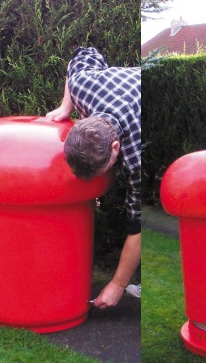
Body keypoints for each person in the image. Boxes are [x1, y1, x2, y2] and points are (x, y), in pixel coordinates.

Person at [46, 47, 141, 310]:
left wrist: (118, 285)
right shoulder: (82, 86)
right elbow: (84, 53)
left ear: (115, 149)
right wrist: (67, 104)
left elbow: (138, 227)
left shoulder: (136, 161)